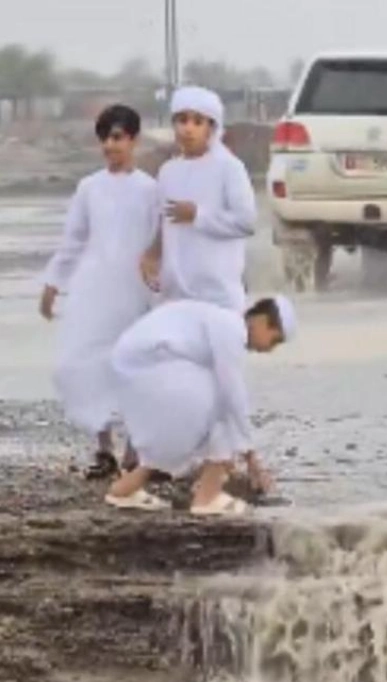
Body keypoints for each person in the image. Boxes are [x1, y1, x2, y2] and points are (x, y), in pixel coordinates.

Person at [39, 104, 159, 477]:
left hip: (136, 293)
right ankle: (104, 448)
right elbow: (74, 240)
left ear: (133, 141)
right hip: (96, 291)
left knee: (136, 368)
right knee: (83, 364)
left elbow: (163, 243)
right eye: (105, 138)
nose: (111, 145)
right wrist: (53, 283)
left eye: (118, 138)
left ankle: (135, 450)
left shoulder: (150, 190)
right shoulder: (89, 188)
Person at [103, 296, 295, 515]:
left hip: (140, 368)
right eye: (274, 340)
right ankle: (207, 497)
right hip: (147, 367)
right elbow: (232, 393)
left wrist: (234, 455)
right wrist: (251, 459)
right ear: (262, 321)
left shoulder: (222, 323)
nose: (269, 350)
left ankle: (123, 491)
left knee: (200, 419)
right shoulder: (231, 329)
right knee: (223, 406)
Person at [140, 85, 256, 313]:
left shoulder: (229, 168)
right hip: (174, 296)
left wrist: (198, 216)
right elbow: (164, 222)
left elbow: (246, 222)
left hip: (218, 297)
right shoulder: (168, 171)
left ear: (211, 127)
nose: (188, 129)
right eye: (182, 120)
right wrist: (152, 255)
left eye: (197, 122)